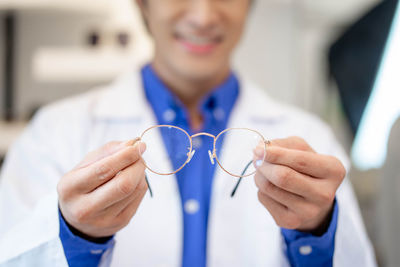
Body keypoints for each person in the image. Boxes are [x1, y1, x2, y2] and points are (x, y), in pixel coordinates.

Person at [0, 0, 376, 266]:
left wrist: (315, 231)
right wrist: (75, 235)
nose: (203, 15)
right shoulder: (55, 133)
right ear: (143, 4)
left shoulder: (311, 138)